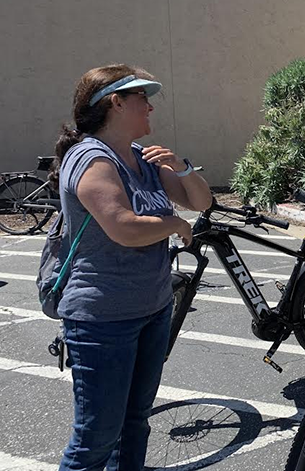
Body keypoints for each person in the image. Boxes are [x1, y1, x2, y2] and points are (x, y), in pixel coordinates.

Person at [51, 64, 212, 471]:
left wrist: (182, 168)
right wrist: (174, 225)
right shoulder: (89, 158)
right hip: (103, 319)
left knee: (135, 424)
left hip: (153, 309)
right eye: (143, 98)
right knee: (96, 439)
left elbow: (201, 202)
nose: (151, 108)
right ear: (116, 103)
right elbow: (122, 227)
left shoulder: (144, 157)